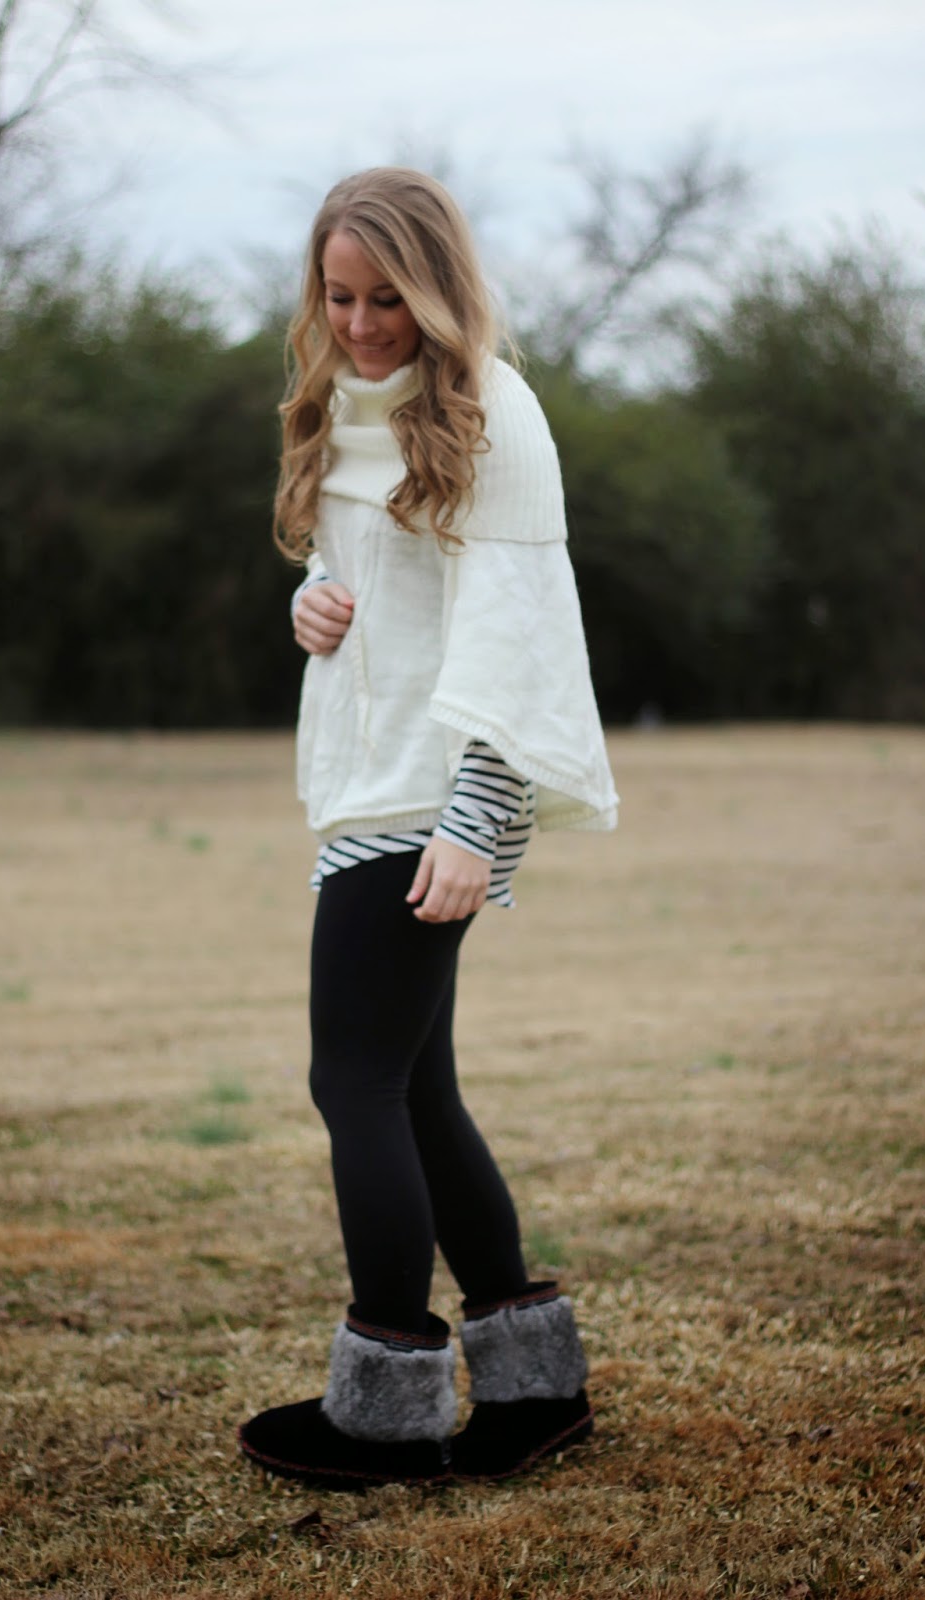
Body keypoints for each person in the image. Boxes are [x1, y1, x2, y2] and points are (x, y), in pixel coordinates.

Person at [238, 168, 618, 1488]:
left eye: (386, 298)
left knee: (351, 1083)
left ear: (438, 289)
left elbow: (519, 640)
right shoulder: (344, 405)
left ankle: (385, 1412)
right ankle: (535, 1386)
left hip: (438, 798)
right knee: (413, 1086)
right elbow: (372, 583)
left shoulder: (490, 411)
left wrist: (476, 821)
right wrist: (312, 603)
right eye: (338, 296)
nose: (359, 323)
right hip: (372, 779)